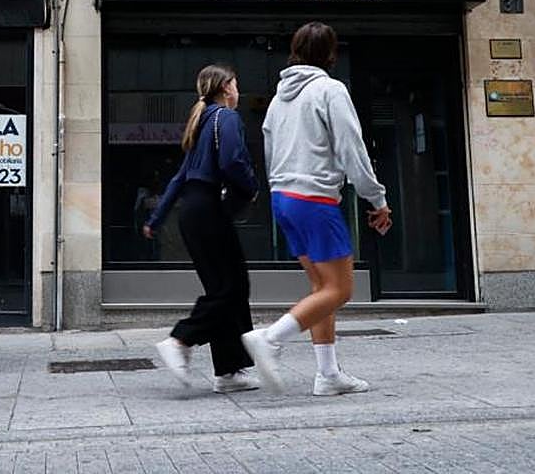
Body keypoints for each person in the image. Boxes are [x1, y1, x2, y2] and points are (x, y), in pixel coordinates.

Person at [241, 22, 393, 396]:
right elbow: (352, 149)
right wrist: (377, 198)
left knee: (320, 287)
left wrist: (281, 189)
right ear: (331, 53)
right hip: (315, 199)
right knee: (340, 289)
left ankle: (327, 375)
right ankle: (270, 339)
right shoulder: (330, 89)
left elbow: (270, 151)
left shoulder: (278, 99)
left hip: (284, 199)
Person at [141, 63, 260, 394]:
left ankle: (228, 372)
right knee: (232, 288)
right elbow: (232, 162)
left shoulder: (201, 123)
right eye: (235, 84)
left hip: (192, 213)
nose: (238, 90)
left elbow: (179, 178)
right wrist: (252, 188)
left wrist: (155, 219)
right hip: (209, 210)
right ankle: (182, 339)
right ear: (225, 88)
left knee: (224, 289)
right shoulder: (226, 117)